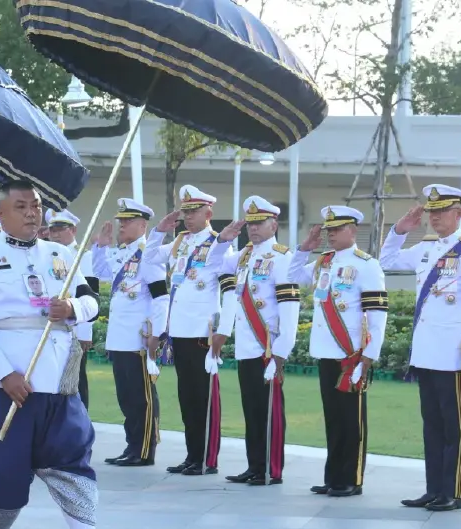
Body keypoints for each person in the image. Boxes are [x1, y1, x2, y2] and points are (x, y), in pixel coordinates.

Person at [0, 180, 136, 529]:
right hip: (9, 382)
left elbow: (91, 301)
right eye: (21, 206)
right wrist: (3, 374)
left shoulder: (61, 254)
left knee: (72, 462)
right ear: (0, 214)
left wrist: (73, 307)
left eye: (37, 205)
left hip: (58, 381)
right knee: (2, 471)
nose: (31, 212)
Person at [381, 185, 461, 512]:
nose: (435, 218)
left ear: (458, 213)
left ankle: (453, 491)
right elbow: (385, 260)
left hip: (452, 352)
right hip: (425, 351)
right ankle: (433, 489)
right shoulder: (426, 247)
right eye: (431, 212)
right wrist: (398, 231)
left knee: (453, 426)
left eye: (441, 211)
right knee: (431, 424)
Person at [288, 206, 388, 497]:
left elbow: (377, 313)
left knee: (351, 419)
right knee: (332, 417)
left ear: (353, 231)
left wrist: (369, 356)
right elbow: (293, 275)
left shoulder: (366, 265)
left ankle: (351, 478)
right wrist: (304, 248)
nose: (331, 235)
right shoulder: (323, 263)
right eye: (328, 230)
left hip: (351, 354)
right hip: (326, 350)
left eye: (337, 229)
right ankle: (333, 477)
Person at [153, 186, 240, 476]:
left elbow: (230, 294)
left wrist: (223, 332)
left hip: (204, 333)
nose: (188, 217)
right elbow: (148, 260)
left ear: (209, 213)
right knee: (187, 397)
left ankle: (207, 459)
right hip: (180, 331)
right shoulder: (180, 243)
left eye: (194, 212)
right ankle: (192, 455)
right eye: (185, 211)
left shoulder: (221, 245)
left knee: (205, 399)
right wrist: (159, 231)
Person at [211, 196, 297, 486]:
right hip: (247, 347)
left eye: (259, 223)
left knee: (269, 411)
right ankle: (254, 465)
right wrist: (223, 239)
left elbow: (290, 311)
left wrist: (281, 354)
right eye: (250, 223)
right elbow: (213, 265)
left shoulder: (283, 258)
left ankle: (271, 469)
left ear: (274, 224)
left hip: (267, 348)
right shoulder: (244, 256)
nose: (254, 228)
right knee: (251, 409)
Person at [89, 199, 169, 466]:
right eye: (121, 220)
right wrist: (100, 246)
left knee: (142, 398)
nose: (121, 225)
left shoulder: (149, 256)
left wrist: (157, 333)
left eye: (127, 221)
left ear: (143, 225)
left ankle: (145, 450)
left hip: (138, 338)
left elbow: (161, 298)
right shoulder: (122, 253)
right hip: (119, 338)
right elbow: (100, 272)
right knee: (126, 398)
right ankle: (132, 446)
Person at [45, 209, 98, 409]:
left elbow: (90, 295)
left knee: (76, 378)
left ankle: (80, 417)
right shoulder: (48, 255)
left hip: (75, 326)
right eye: (52, 230)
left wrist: (85, 333)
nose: (55, 234)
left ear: (73, 230)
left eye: (60, 229)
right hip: (52, 326)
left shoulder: (83, 256)